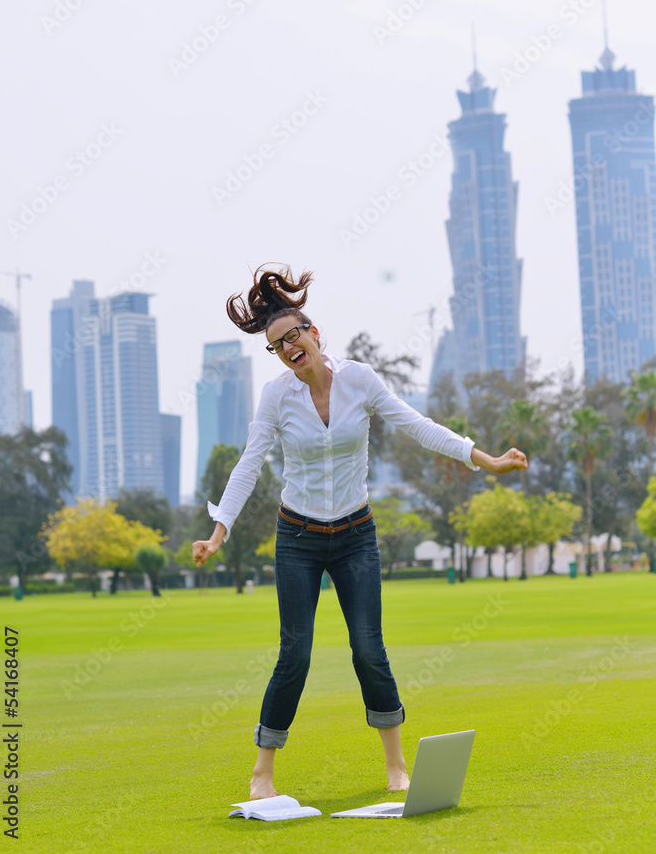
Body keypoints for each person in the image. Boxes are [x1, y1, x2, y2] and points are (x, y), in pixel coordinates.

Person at [192, 265, 528, 799]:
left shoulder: (360, 380)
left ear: (313, 332)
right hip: (297, 537)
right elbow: (249, 463)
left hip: (355, 534)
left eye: (294, 335)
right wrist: (219, 532)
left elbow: (416, 425)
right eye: (277, 345)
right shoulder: (277, 397)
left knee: (368, 647)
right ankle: (262, 772)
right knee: (295, 653)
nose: (288, 347)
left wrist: (483, 459)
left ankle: (396, 768)